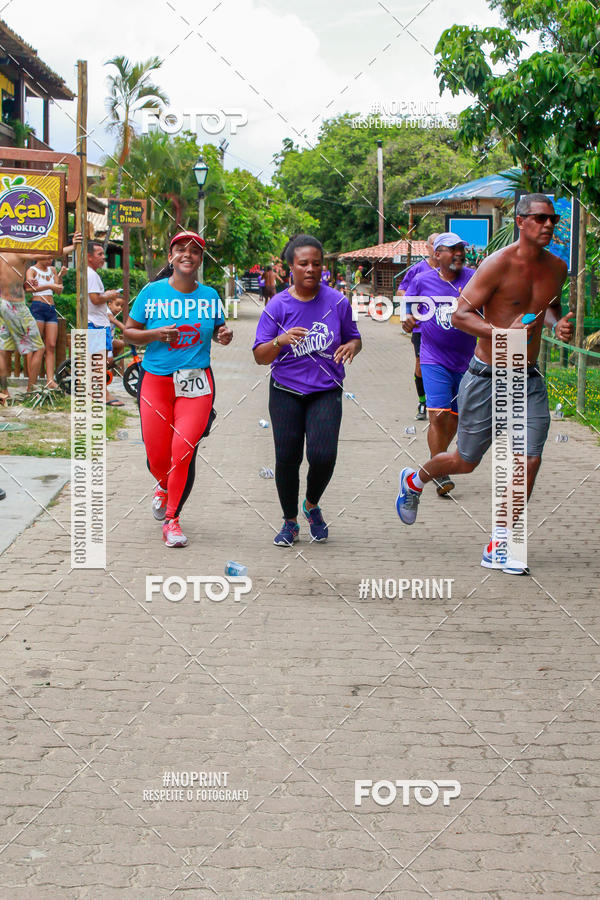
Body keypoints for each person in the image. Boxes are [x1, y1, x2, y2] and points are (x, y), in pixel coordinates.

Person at [396, 194, 574, 575]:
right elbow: (461, 315)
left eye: (552, 220)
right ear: (520, 221)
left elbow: (548, 304)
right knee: (466, 460)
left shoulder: (558, 267)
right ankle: (415, 479)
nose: (548, 225)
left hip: (526, 377)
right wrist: (499, 333)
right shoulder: (496, 265)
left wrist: (556, 323)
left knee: (530, 457)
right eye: (540, 218)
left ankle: (501, 543)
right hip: (485, 376)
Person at [123, 231, 233, 549]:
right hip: (156, 381)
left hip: (197, 384)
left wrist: (223, 335)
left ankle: (172, 520)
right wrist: (156, 334)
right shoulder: (151, 292)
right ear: (171, 257)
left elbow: (218, 329)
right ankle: (162, 485)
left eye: (195, 250)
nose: (188, 254)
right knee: (157, 456)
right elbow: (130, 333)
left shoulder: (210, 295)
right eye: (181, 249)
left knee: (182, 450)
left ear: (200, 259)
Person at [253, 233, 362, 546]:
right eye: (304, 264)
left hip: (326, 390)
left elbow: (355, 337)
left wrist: (352, 346)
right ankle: (290, 522)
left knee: (323, 455)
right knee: (287, 457)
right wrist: (280, 340)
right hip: (285, 390)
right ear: (292, 267)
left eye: (317, 263)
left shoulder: (338, 302)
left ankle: (311, 504)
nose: (311, 269)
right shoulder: (278, 305)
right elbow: (260, 357)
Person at [403, 233, 475, 496]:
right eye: (452, 249)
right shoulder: (422, 280)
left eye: (461, 249)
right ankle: (439, 472)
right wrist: (408, 320)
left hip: (467, 361)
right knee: (439, 414)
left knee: (454, 419)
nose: (458, 253)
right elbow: (407, 310)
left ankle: (439, 459)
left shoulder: (474, 278)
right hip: (433, 357)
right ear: (438, 255)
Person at [0, 234, 80, 400]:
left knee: (3, 350)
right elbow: (46, 254)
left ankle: (4, 392)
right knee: (39, 348)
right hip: (14, 304)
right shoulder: (16, 251)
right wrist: (72, 247)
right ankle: (30, 390)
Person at [397, 232, 439, 420]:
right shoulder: (418, 270)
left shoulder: (454, 271)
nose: (438, 248)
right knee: (421, 364)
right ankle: (423, 402)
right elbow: (401, 290)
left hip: (446, 327)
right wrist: (409, 311)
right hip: (422, 327)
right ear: (427, 247)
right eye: (434, 244)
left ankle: (442, 403)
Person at [87, 241, 124, 406]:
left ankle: (96, 391)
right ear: (89, 257)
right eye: (99, 254)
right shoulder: (91, 275)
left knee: (100, 360)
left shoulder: (92, 274)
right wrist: (110, 295)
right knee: (99, 360)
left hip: (97, 322)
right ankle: (103, 394)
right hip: (96, 322)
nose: (103, 257)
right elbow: (95, 299)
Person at [26, 254, 64, 389]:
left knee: (51, 345)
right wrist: (50, 285)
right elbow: (29, 288)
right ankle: (32, 380)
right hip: (38, 307)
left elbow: (58, 290)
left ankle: (50, 379)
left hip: (51, 308)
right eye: (47, 258)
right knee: (36, 345)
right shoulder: (32, 270)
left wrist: (60, 277)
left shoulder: (52, 270)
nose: (50, 261)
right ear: (38, 257)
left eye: (52, 258)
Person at [107, 294, 126, 373]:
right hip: (104, 341)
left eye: (121, 306)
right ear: (109, 304)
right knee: (108, 359)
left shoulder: (112, 314)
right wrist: (127, 330)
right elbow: (115, 322)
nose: (119, 308)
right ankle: (108, 362)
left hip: (109, 340)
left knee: (121, 344)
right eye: (117, 304)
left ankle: (110, 362)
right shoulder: (107, 312)